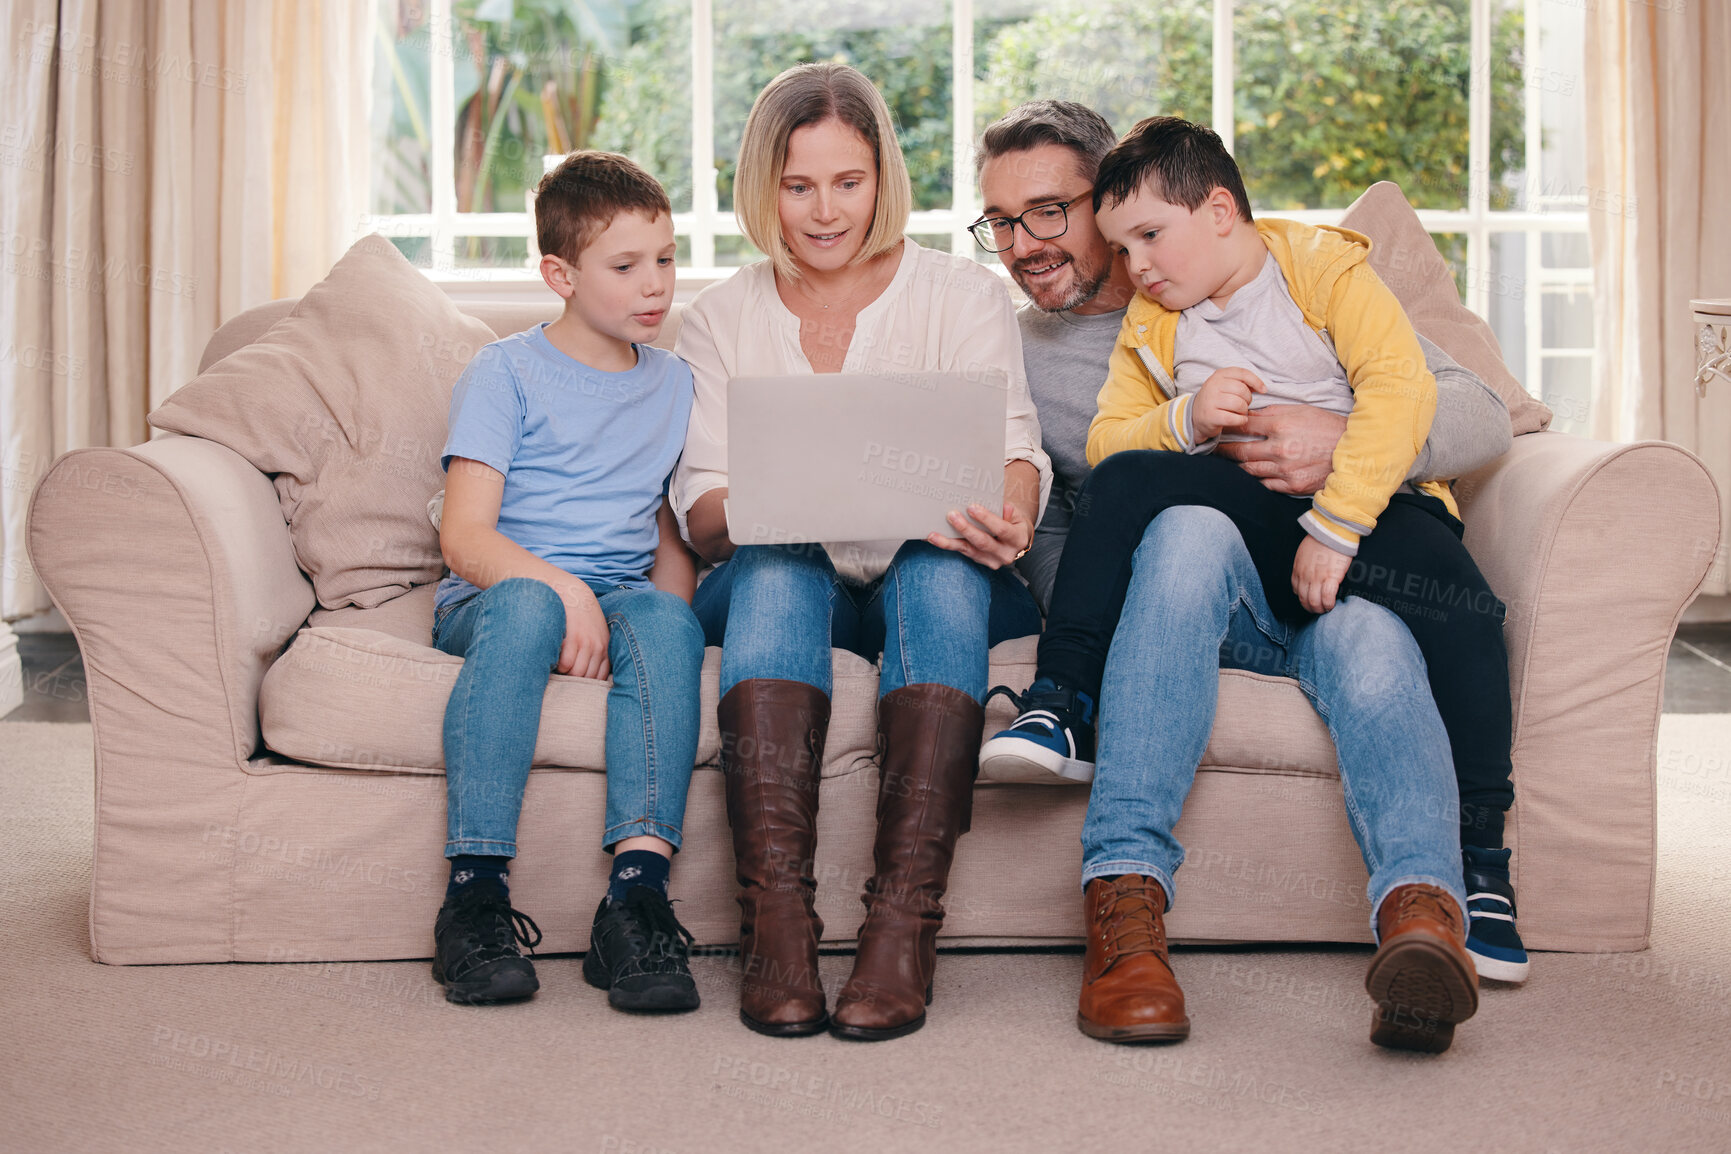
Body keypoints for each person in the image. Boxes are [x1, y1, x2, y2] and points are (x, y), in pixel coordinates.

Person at [972, 108, 1494, 1052]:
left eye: (1049, 211)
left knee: (1374, 639)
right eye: (1001, 221)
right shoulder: (1022, 348)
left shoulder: (1294, 278)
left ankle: (1423, 918)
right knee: (1183, 528)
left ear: (1116, 202)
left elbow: (1472, 411)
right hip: (1178, 600)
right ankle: (1124, 902)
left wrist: (1332, 441)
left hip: (1328, 570)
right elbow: (1056, 523)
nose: (1023, 244)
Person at [673, 62, 1052, 1041]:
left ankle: (901, 925)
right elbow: (701, 511)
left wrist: (1010, 507)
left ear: (883, 177)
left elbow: (1017, 450)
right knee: (772, 569)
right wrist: (788, 488)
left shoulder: (960, 295)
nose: (824, 210)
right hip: (786, 571)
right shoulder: (719, 317)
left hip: (933, 566)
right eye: (798, 185)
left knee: (939, 573)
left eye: (847, 181)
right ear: (766, 186)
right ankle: (778, 926)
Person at [428, 151, 706, 1011]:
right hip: (499, 595)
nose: (654, 283)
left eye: (664, 258)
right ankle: (473, 898)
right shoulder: (504, 372)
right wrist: (564, 593)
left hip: (615, 595)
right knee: (524, 605)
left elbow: (667, 533)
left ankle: (635, 902)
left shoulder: (675, 383)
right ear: (560, 274)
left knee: (667, 620)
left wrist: (659, 627)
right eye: (625, 266)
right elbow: (463, 535)